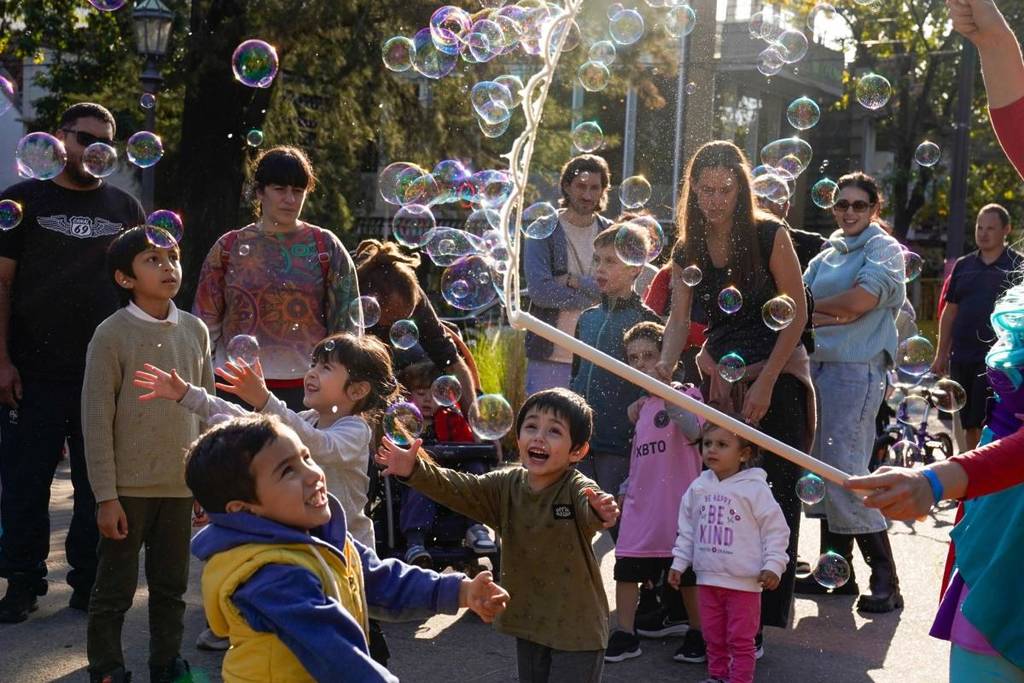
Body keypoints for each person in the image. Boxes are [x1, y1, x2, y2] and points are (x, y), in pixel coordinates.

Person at [186, 415, 510, 682]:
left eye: (305, 457)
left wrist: (459, 591)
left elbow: (379, 580)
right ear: (242, 509)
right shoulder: (270, 574)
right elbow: (333, 651)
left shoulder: (318, 535)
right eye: (288, 471)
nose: (313, 474)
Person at [135, 332, 394, 659]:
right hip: (306, 547)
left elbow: (318, 445)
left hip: (345, 550)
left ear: (357, 390)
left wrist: (266, 399)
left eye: (326, 367)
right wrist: (188, 394)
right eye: (313, 363)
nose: (312, 372)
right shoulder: (306, 419)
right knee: (308, 639)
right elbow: (246, 421)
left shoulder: (355, 430)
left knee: (356, 639)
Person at [656, 140, 811, 647]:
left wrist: (766, 380)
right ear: (693, 192)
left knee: (771, 499)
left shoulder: (768, 233)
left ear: (741, 189)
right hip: (722, 380)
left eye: (726, 189)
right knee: (720, 504)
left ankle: (758, 626)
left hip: (778, 379)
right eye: (706, 190)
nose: (716, 200)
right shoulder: (687, 249)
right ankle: (717, 620)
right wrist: (663, 367)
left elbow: (798, 312)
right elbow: (678, 320)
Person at [0, 102, 146, 622]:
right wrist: (2, 361)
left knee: (97, 483)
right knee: (24, 482)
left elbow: (142, 293)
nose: (94, 151)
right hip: (31, 371)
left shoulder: (126, 210)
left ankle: (89, 581)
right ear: (60, 138)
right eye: (85, 139)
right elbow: (3, 283)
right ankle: (21, 582)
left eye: (105, 142)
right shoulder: (22, 199)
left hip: (103, 374)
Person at [375, 388, 621, 683]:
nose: (539, 437)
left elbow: (587, 504)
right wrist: (414, 469)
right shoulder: (506, 485)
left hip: (577, 628)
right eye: (531, 427)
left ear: (577, 451)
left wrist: (599, 510)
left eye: (554, 431)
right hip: (530, 621)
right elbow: (460, 488)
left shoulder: (575, 486)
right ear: (518, 439)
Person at [81, 226, 214, 682]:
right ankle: (107, 668)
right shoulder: (111, 334)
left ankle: (165, 664)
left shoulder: (195, 330)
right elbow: (96, 419)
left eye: (172, 256)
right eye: (152, 260)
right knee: (114, 589)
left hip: (179, 487)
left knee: (172, 587)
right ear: (125, 279)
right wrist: (106, 495)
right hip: (127, 490)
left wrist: (207, 482)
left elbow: (208, 410)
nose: (167, 267)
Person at [799, 172, 907, 613]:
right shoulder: (827, 253)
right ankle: (836, 571)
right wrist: (819, 314)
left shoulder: (884, 248)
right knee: (822, 470)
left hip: (856, 371)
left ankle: (886, 578)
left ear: (874, 208)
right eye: (841, 204)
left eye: (858, 205)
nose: (848, 212)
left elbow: (861, 302)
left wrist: (812, 311)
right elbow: (793, 304)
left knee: (846, 469)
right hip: (817, 366)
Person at [192, 146, 360, 412]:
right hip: (234, 386)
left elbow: (348, 326)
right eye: (280, 189)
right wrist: (203, 381)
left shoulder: (325, 246)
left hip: (307, 390)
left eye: (298, 191)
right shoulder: (228, 247)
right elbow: (204, 324)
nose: (290, 199)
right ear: (260, 192)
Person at [605, 322, 704, 665]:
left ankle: (697, 633)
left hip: (678, 507)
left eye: (650, 355)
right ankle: (625, 633)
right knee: (626, 566)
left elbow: (694, 432)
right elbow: (639, 458)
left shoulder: (689, 395)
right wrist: (625, 488)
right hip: (641, 505)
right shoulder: (642, 408)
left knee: (687, 574)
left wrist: (666, 392)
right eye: (634, 358)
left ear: (669, 357)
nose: (642, 364)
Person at [668, 423, 789, 683]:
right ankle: (717, 676)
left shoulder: (755, 489)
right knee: (712, 636)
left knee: (741, 641)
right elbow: (687, 529)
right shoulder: (698, 487)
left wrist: (774, 565)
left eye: (722, 445)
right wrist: (679, 562)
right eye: (708, 443)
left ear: (744, 454)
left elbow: (776, 530)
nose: (712, 449)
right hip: (707, 579)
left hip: (744, 583)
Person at [569, 224, 660, 504]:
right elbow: (576, 376)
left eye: (610, 261)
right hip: (581, 440)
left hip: (619, 443)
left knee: (619, 520)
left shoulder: (647, 322)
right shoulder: (587, 318)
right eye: (597, 259)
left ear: (635, 268)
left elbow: (652, 387)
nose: (600, 268)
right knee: (578, 516)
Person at [932, 203, 1021, 450]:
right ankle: (969, 472)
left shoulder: (1017, 266)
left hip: (999, 360)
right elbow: (950, 312)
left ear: (1007, 230)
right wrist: (941, 354)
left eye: (990, 228)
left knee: (986, 421)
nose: (983, 233)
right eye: (979, 227)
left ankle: (981, 474)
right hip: (962, 356)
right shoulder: (963, 266)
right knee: (965, 420)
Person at [523, 154, 614, 395]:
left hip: (597, 355)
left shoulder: (611, 232)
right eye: (581, 186)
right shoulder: (543, 229)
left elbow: (616, 289)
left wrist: (574, 281)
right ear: (566, 186)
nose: (587, 195)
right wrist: (592, 298)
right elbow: (541, 292)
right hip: (549, 354)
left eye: (595, 188)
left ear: (603, 190)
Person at [353, 239, 477, 415]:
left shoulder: (413, 297)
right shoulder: (349, 292)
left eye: (405, 317)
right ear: (370, 303)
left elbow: (452, 361)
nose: (398, 325)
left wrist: (474, 422)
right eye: (392, 318)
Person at [394, 360, 495, 566]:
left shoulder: (450, 417)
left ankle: (476, 527)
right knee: (420, 482)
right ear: (408, 396)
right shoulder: (404, 422)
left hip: (452, 478)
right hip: (420, 478)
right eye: (421, 393)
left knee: (475, 466)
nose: (428, 400)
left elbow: (467, 446)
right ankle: (415, 541)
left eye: (435, 394)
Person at [755, 196, 827, 270]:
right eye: (777, 197)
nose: (786, 202)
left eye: (786, 198)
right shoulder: (748, 239)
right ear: (759, 203)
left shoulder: (810, 242)